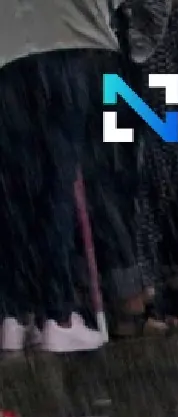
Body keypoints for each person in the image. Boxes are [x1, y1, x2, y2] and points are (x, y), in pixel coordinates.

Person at [0, 0, 117, 355]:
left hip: (6, 51)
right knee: (58, 183)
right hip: (63, 38)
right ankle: (58, 314)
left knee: (15, 187)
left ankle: (13, 314)